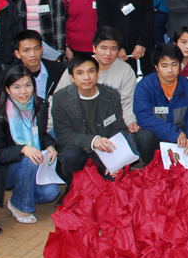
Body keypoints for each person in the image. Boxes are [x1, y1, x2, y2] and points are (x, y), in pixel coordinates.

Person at [0, 66, 60, 224]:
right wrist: (22, 149)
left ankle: (21, 193)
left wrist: (50, 146)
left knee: (50, 194)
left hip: (33, 165)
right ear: (7, 89)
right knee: (28, 160)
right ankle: (20, 205)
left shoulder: (39, 105)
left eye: (28, 85)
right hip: (4, 170)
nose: (23, 92)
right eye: (16, 87)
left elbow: (41, 134)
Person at [51, 55, 132, 196]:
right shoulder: (61, 98)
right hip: (77, 149)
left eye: (91, 71)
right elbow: (63, 135)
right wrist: (93, 141)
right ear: (71, 78)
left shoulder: (111, 95)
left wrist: (118, 161)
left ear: (98, 73)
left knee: (113, 191)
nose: (87, 77)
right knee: (70, 155)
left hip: (105, 151)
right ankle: (72, 189)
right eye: (80, 73)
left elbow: (119, 130)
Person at [52, 27, 139, 132]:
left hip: (108, 126)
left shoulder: (126, 70)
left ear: (119, 51)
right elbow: (57, 99)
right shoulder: (78, 67)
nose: (108, 53)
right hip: (76, 124)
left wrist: (130, 122)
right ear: (94, 48)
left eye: (113, 49)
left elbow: (127, 102)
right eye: (103, 48)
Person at [134, 44, 188, 164]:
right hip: (157, 129)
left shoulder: (186, 85)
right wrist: (173, 133)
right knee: (144, 138)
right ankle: (152, 166)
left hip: (182, 127)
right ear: (156, 67)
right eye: (164, 66)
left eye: (174, 64)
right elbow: (144, 117)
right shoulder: (144, 86)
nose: (170, 70)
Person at [9, 30, 66, 106]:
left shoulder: (59, 70)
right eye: (26, 50)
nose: (33, 54)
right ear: (18, 54)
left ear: (42, 49)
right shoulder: (12, 76)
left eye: (36, 49)